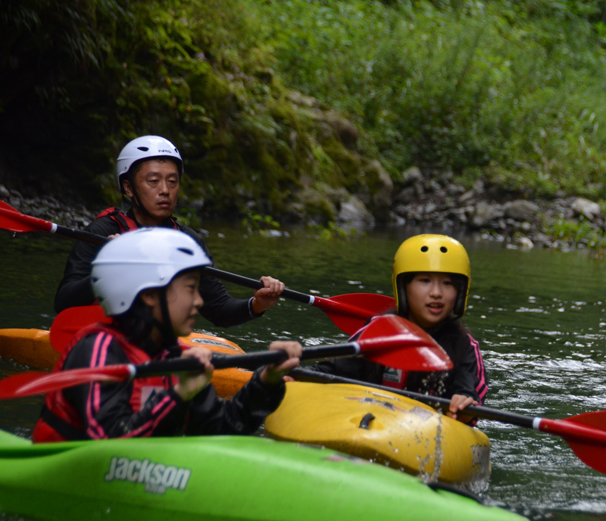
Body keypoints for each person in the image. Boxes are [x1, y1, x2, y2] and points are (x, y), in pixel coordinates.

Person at [33, 228, 302, 443]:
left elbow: (224, 427)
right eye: (190, 289)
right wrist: (179, 393)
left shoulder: (174, 355)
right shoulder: (97, 351)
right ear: (150, 295)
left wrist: (266, 381)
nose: (198, 302)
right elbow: (108, 441)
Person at [54, 135, 284, 327]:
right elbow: (63, 303)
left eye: (172, 182)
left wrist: (257, 305)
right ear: (128, 187)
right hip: (104, 337)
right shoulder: (102, 232)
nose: (165, 190)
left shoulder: (189, 243)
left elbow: (219, 310)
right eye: (153, 181)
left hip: (157, 343)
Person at [313, 234, 487, 423]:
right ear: (404, 287)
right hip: (370, 420)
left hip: (428, 433)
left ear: (460, 293)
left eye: (447, 283)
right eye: (424, 280)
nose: (436, 293)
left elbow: (469, 396)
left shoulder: (465, 346)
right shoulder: (379, 330)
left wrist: (464, 407)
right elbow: (329, 373)